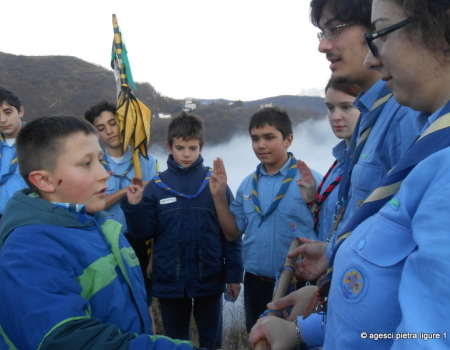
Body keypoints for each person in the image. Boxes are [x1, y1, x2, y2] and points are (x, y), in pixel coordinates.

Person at [250, 0, 450, 348]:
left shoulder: (411, 123)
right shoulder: (382, 117)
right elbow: (392, 269)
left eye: (381, 34)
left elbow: (428, 334)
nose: (374, 57)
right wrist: (333, 269)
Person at [0, 116, 201, 350]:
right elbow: (68, 340)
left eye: (101, 160)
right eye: (86, 163)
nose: (104, 174)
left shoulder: (98, 224)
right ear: (44, 180)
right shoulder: (28, 252)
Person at [121, 111, 243, 350]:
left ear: (202, 147)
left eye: (193, 148)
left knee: (212, 342)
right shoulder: (157, 186)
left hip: (209, 276)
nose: (186, 154)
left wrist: (234, 275)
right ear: (169, 147)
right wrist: (133, 207)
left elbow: (231, 235)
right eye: (180, 148)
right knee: (176, 342)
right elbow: (142, 233)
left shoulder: (215, 184)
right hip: (169, 280)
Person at [209, 106, 323, 334]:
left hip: (300, 284)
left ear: (288, 139)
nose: (260, 145)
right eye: (255, 139)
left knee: (299, 341)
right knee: (259, 340)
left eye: (269, 137)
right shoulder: (247, 185)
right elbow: (232, 233)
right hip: (256, 284)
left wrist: (314, 200)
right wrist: (219, 196)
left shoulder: (309, 180)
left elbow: (328, 230)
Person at [84, 100, 158, 318]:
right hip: (104, 241)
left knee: (144, 304)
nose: (109, 131)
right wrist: (126, 190)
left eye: (113, 123)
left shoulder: (144, 160)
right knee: (111, 305)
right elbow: (92, 205)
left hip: (139, 242)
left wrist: (154, 255)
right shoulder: (93, 163)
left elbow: (155, 210)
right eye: (101, 128)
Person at [300, 78, 362, 243]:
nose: (335, 117)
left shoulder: (370, 164)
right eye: (330, 108)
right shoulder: (339, 162)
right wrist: (313, 198)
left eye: (346, 107)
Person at [0, 87, 28, 219]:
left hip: (24, 218)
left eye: (8, 112)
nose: (2, 120)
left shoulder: (38, 143)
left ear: (20, 111)